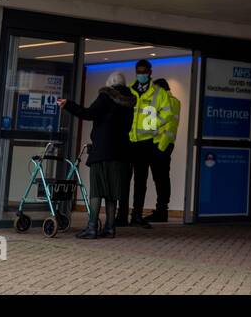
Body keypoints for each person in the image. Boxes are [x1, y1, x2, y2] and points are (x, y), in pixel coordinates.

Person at [57, 71, 133, 239]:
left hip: (102, 152)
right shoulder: (130, 102)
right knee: (113, 193)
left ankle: (92, 227)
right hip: (120, 153)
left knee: (97, 191)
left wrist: (68, 104)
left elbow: (88, 114)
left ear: (110, 83)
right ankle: (110, 228)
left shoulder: (106, 97)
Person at [116, 59, 176, 229]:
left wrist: (152, 125)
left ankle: (136, 215)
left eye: (144, 71)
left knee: (140, 182)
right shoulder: (128, 92)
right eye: (138, 71)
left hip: (145, 143)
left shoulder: (159, 93)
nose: (141, 74)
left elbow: (168, 114)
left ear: (150, 72)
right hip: (128, 142)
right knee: (124, 180)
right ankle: (121, 215)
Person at [146, 78, 180, 223]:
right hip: (165, 144)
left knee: (161, 179)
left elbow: (166, 126)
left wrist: (159, 147)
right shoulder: (175, 101)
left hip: (161, 144)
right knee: (162, 178)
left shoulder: (167, 101)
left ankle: (161, 212)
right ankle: (161, 210)